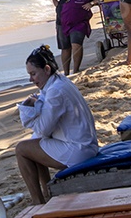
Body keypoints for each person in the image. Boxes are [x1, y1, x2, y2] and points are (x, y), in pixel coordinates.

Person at [15, 44, 98, 205]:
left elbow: (43, 129)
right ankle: (47, 193)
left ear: (46, 69)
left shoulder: (55, 91)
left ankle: (37, 202)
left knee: (22, 149)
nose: (31, 79)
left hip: (79, 151)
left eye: (33, 74)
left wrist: (28, 110)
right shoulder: (59, 82)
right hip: (86, 145)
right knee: (33, 145)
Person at [48, 0, 100, 75]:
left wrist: (92, 3)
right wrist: (55, 2)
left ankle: (76, 71)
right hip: (62, 21)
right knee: (65, 48)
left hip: (80, 23)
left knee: (76, 45)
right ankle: (66, 73)